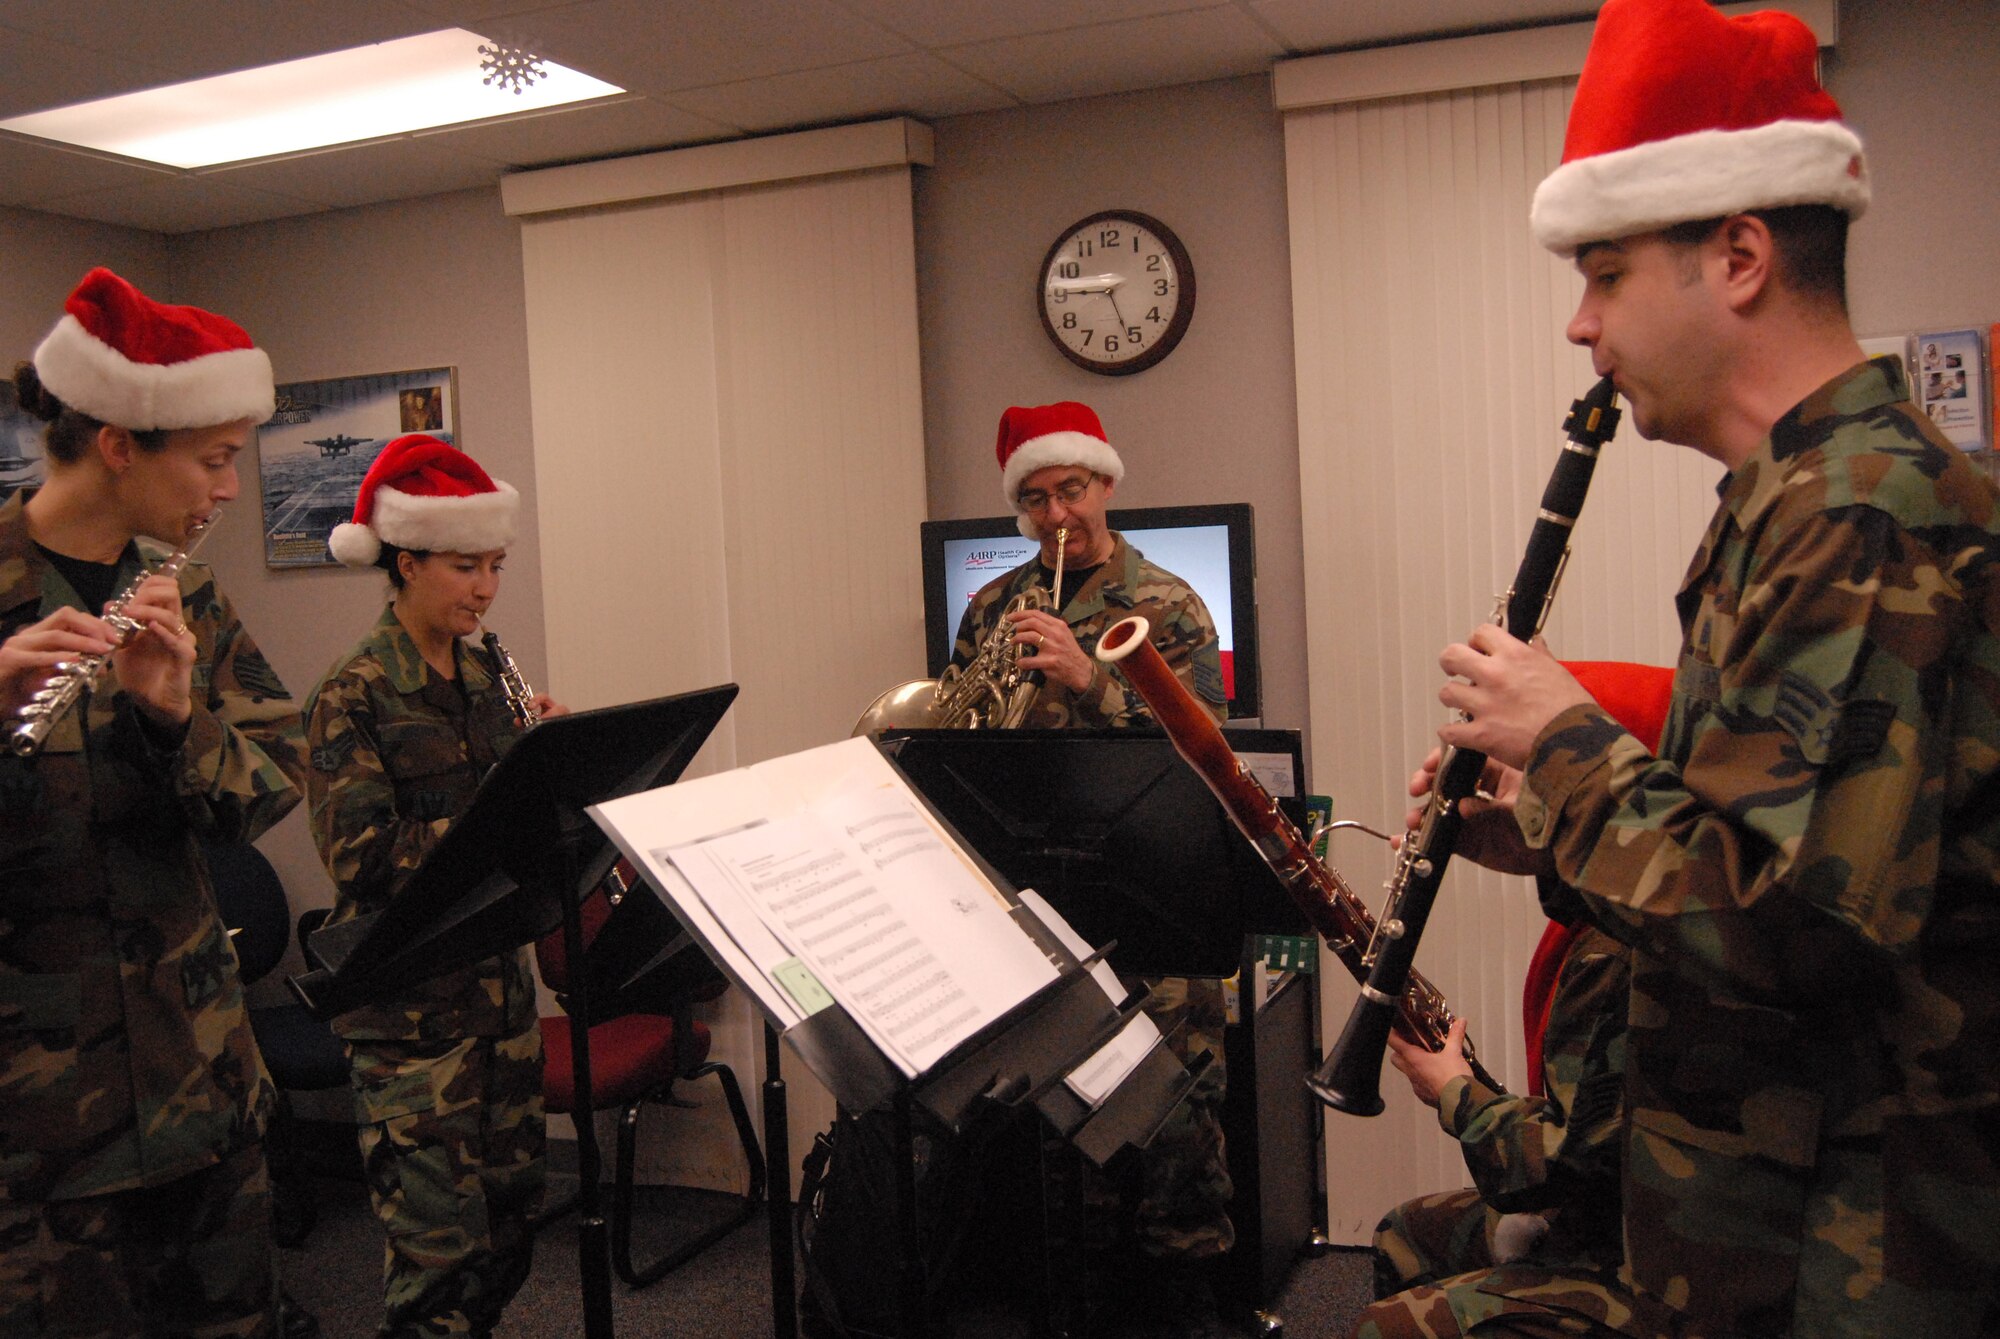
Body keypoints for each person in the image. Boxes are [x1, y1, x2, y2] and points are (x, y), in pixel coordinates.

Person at [1405, 1, 2000, 1334]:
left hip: (1844, 1248)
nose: (1579, 324)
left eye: (1605, 275)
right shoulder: (1789, 499)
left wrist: (1565, 739)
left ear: (1737, 257)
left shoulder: (1861, 508)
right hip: (1761, 1229)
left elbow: (1800, 929)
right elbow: (1751, 850)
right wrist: (1543, 834)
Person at [0, 267, 306, 1337]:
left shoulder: (185, 591)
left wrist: (176, 721)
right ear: (121, 444)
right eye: (215, 459)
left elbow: (268, 790)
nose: (229, 490)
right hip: (38, 1125)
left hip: (201, 1077)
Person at [951, 401, 1233, 1337]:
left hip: (1155, 884)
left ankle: (1186, 1294)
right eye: (1035, 499)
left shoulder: (1170, 603)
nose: (1056, 515)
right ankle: (1082, 1296)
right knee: (1060, 1108)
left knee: (1177, 1103)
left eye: (1070, 490)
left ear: (1104, 483)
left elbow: (1209, 745)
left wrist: (1090, 679)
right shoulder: (993, 608)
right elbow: (962, 734)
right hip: (1040, 894)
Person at [305, 434, 565, 1339]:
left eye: (495, 566)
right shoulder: (354, 692)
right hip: (412, 1030)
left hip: (500, 1004)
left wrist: (547, 762)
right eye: (465, 567)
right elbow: (360, 856)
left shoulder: (488, 674)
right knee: (436, 1266)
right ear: (407, 562)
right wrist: (502, 814)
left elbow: (520, 820)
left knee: (511, 1228)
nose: (485, 589)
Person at [1358, 663, 1673, 1338]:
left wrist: (1454, 1091)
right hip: (1609, 1209)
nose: (1525, 794)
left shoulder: (1624, 950)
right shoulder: (1599, 913)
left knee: (1390, 1327)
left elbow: (1567, 1168)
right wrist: (1540, 851)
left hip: (1651, 1256)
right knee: (1405, 1231)